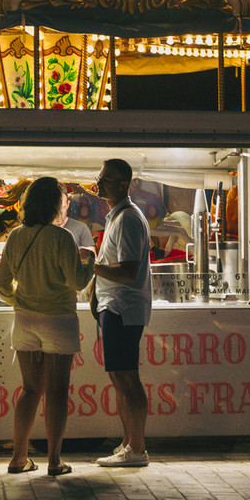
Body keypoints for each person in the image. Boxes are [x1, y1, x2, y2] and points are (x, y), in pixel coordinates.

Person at [0, 177, 95, 477]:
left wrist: (20, 301)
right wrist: (89, 261)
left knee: (29, 389)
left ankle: (18, 457)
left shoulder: (15, 236)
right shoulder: (63, 238)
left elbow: (2, 285)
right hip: (59, 321)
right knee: (56, 391)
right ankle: (54, 461)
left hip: (25, 321)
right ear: (55, 205)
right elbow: (78, 282)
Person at [91, 158, 154, 467]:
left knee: (127, 378)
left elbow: (128, 271)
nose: (98, 182)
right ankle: (129, 443)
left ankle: (137, 448)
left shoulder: (128, 218)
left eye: (105, 178)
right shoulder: (118, 216)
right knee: (119, 377)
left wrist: (91, 266)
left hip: (122, 307)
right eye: (100, 177)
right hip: (114, 306)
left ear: (122, 184)